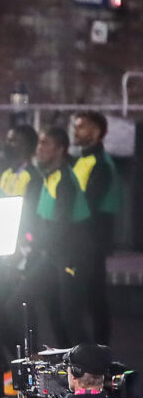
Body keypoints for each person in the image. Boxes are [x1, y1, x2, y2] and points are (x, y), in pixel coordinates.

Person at [27, 122, 88, 348]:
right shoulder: (50, 177)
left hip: (66, 259)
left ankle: (93, 372)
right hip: (53, 256)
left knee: (70, 319)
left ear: (60, 149)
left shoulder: (64, 182)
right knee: (57, 316)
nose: (39, 148)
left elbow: (62, 228)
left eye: (45, 143)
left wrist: (36, 246)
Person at [69, 110, 122, 343]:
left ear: (97, 132)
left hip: (91, 241)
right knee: (90, 299)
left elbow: (89, 204)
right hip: (82, 240)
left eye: (82, 126)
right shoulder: (82, 160)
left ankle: (100, 353)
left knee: (93, 300)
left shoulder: (101, 164)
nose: (76, 130)